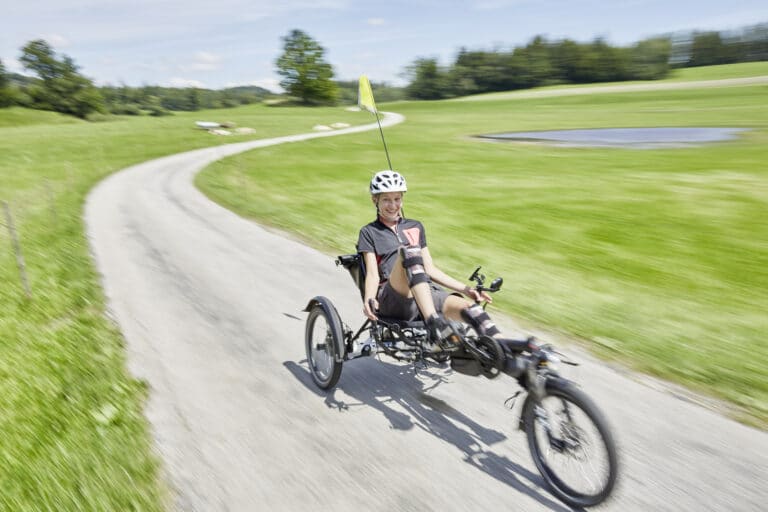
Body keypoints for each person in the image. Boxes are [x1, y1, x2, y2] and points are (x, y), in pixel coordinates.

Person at [357, 170, 504, 349]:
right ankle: (433, 323)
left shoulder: (415, 226)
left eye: (397, 199)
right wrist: (369, 299)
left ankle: (505, 348)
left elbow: (430, 269)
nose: (393, 205)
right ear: (375, 200)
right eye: (386, 199)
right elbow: (372, 274)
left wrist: (466, 289)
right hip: (394, 298)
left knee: (473, 310)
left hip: (426, 293)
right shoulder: (369, 232)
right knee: (409, 250)